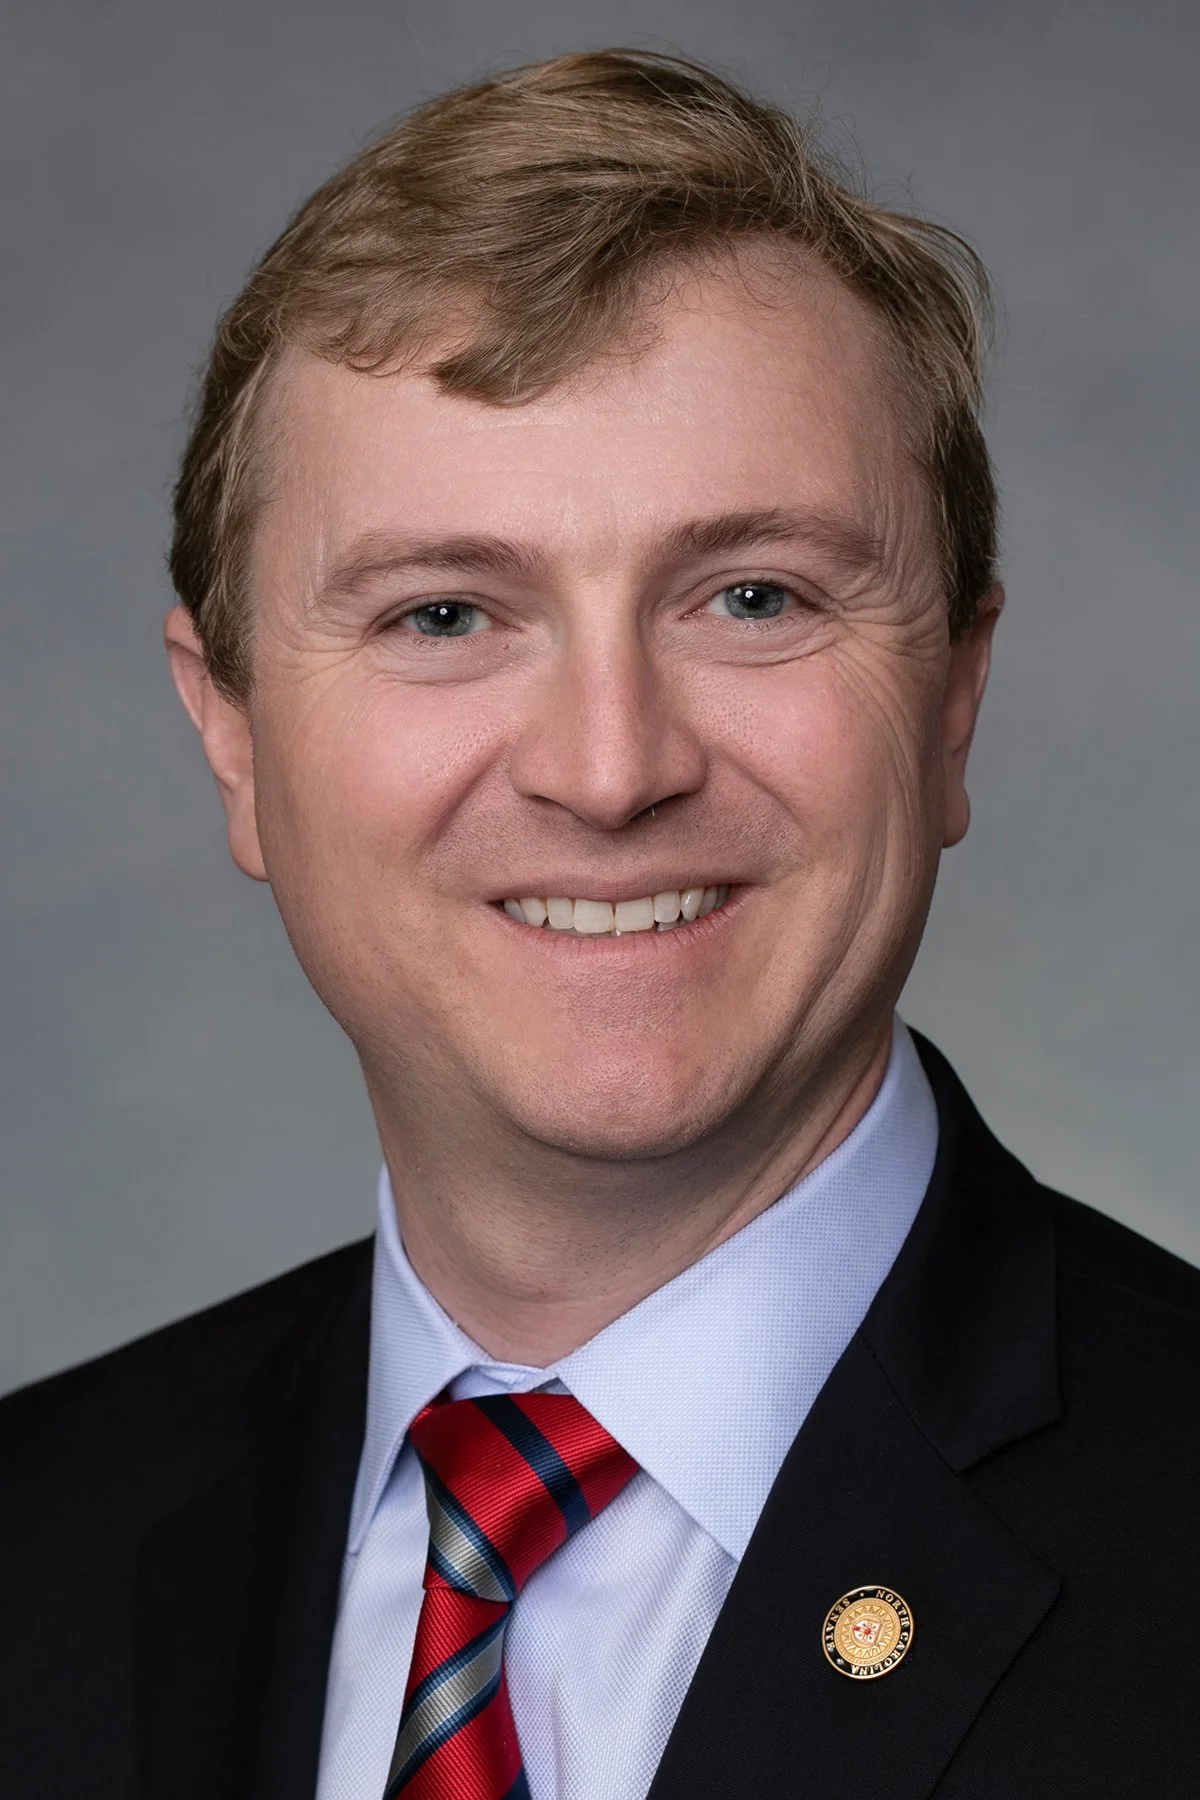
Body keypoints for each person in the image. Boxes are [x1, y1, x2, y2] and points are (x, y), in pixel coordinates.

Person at [1, 47, 1196, 1800]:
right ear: (235, 737)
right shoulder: (40, 1539)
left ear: (953, 702)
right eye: (442, 615)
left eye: (754, 595)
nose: (609, 767)